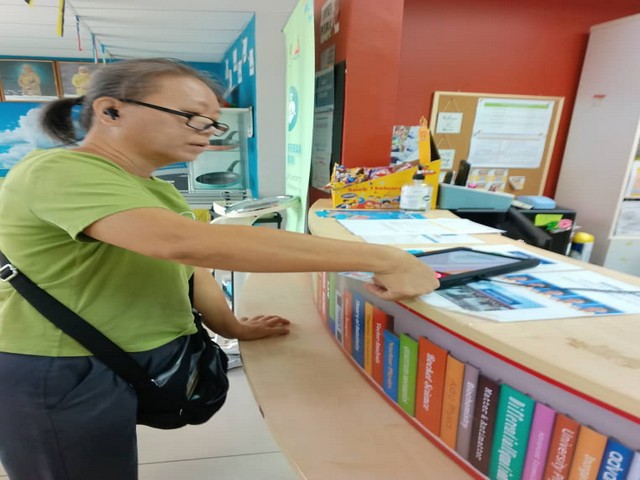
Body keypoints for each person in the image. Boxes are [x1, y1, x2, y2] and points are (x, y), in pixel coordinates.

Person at [0, 58, 438, 480]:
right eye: (192, 117)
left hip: (125, 357)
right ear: (111, 110)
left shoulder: (154, 188)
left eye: (213, 123)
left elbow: (189, 266)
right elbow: (184, 242)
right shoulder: (58, 169)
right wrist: (385, 258)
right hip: (56, 363)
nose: (207, 133)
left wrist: (232, 326)